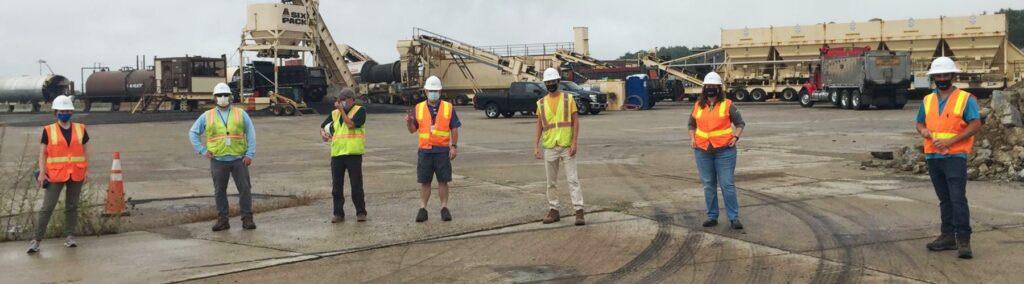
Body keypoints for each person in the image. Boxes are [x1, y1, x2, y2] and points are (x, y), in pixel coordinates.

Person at [918, 57, 981, 259]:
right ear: (934, 77)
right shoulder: (927, 100)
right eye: (939, 75)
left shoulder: (965, 99)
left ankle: (963, 240)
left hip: (955, 156)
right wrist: (924, 131)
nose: (942, 78)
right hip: (933, 156)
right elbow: (919, 123)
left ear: (953, 76)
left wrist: (951, 141)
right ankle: (948, 236)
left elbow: (975, 125)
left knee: (957, 198)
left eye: (946, 75)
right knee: (944, 199)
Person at [189, 82, 257, 231]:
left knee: (245, 190)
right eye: (219, 95)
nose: (223, 98)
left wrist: (250, 154)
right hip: (218, 160)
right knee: (219, 191)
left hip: (239, 159)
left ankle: (247, 219)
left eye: (225, 95)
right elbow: (193, 133)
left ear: (231, 97)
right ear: (214, 98)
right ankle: (223, 220)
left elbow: (251, 133)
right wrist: (202, 150)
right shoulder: (207, 116)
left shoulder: (241, 113)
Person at [28, 95, 89, 254]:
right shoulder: (48, 130)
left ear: (72, 112)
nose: (65, 113)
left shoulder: (81, 128)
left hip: (76, 173)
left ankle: (69, 237)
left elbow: (85, 150)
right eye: (62, 111)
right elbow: (43, 153)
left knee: (72, 206)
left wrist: (86, 170)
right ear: (55, 113)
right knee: (47, 207)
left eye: (68, 110)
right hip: (55, 174)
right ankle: (36, 240)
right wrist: (42, 173)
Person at [689, 72, 746, 230]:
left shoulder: (728, 105)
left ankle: (733, 218)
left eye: (714, 87)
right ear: (704, 88)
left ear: (719, 88)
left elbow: (740, 123)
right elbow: (691, 125)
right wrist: (692, 138)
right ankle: (712, 216)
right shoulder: (698, 105)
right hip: (702, 150)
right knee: (708, 185)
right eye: (708, 86)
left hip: (724, 152)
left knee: (727, 184)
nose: (711, 89)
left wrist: (735, 137)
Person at [534, 68, 586, 226]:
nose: (550, 84)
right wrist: (535, 145)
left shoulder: (568, 99)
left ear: (558, 82)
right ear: (545, 84)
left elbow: (575, 121)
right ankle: (554, 210)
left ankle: (579, 211)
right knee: (551, 182)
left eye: (552, 82)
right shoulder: (541, 103)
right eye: (547, 82)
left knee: (573, 180)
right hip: (550, 146)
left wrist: (575, 142)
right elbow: (539, 125)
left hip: (566, 145)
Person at [406, 76, 459, 222]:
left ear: (440, 91)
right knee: (425, 181)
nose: (433, 93)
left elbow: (454, 128)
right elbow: (412, 130)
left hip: (442, 151)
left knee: (443, 181)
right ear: (425, 91)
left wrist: (453, 146)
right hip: (425, 151)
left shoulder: (448, 107)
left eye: (436, 91)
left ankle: (444, 207)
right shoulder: (419, 108)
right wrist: (409, 122)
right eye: (431, 91)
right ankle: (423, 208)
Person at [320, 88, 367, 223]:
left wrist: (341, 111)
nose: (341, 103)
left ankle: (361, 212)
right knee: (336, 186)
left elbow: (351, 124)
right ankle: (338, 213)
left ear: (351, 99)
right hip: (337, 154)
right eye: (340, 101)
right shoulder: (334, 113)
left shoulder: (360, 110)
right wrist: (323, 133)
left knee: (356, 185)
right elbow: (323, 126)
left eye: (344, 100)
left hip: (353, 153)